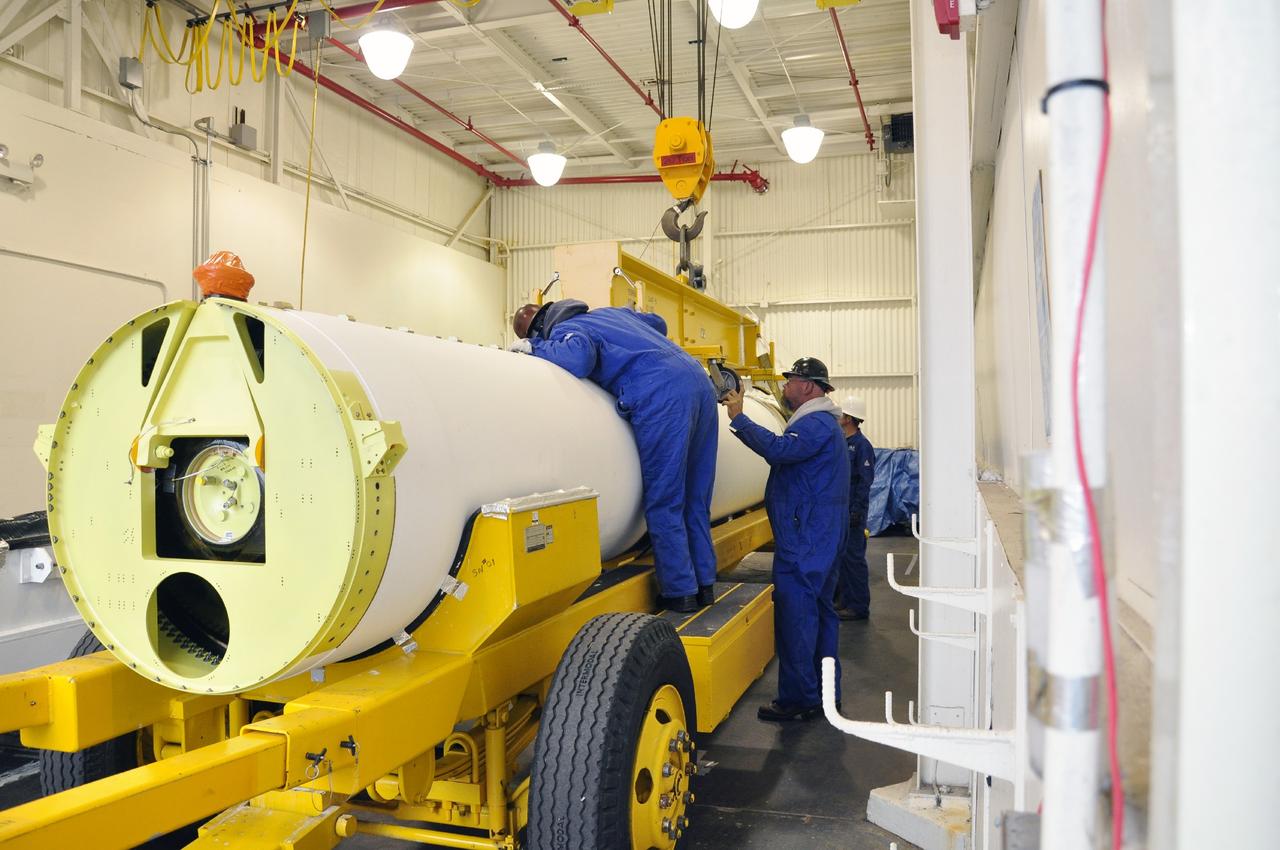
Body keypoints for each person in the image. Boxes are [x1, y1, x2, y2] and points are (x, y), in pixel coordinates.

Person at [510, 300, 719, 614]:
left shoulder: (570, 330)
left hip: (661, 393)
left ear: (543, 328)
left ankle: (680, 592)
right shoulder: (612, 314)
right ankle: (705, 585)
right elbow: (659, 322)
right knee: (695, 498)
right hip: (698, 383)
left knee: (666, 500)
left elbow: (578, 358)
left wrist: (535, 350)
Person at [721, 357, 849, 721]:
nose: (785, 386)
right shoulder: (824, 422)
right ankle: (826, 693)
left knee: (797, 618)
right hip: (818, 534)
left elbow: (779, 450)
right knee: (820, 615)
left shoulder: (814, 425)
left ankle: (800, 700)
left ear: (808, 386)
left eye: (790, 380)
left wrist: (739, 417)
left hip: (805, 538)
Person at [834, 395, 876, 621]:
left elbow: (865, 481)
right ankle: (844, 600)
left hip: (853, 513)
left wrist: (857, 511)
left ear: (849, 418)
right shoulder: (843, 442)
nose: (839, 416)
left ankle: (859, 606)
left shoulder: (862, 446)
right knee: (841, 558)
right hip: (841, 511)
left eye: (842, 413)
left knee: (854, 560)